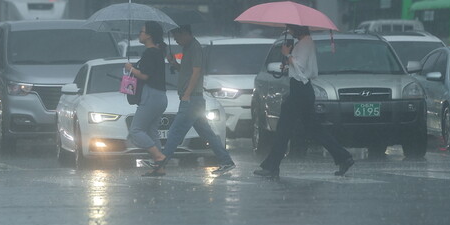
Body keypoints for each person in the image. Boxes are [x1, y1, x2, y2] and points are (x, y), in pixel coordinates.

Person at [253, 24, 355, 179]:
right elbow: (302, 68)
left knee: (283, 129)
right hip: (303, 90)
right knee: (314, 129)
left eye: (291, 29)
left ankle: (271, 166)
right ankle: (343, 157)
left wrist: (287, 55)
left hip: (299, 91)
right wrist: (288, 64)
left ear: (297, 29)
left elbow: (300, 69)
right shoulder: (306, 43)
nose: (290, 31)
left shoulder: (304, 44)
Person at [150, 24, 235, 176]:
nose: (175, 40)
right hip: (193, 99)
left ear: (185, 34)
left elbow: (196, 73)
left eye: (177, 37)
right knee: (207, 134)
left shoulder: (195, 48)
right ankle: (226, 161)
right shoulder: (187, 48)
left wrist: (187, 94)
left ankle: (160, 161)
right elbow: (186, 71)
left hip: (191, 99)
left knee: (175, 131)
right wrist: (174, 63)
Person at [125, 21, 169, 177]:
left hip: (151, 95)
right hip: (160, 96)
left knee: (135, 131)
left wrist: (130, 68)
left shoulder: (150, 53)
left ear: (149, 35)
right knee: (152, 132)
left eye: (142, 31)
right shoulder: (157, 52)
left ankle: (158, 156)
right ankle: (159, 167)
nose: (139, 34)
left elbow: (145, 75)